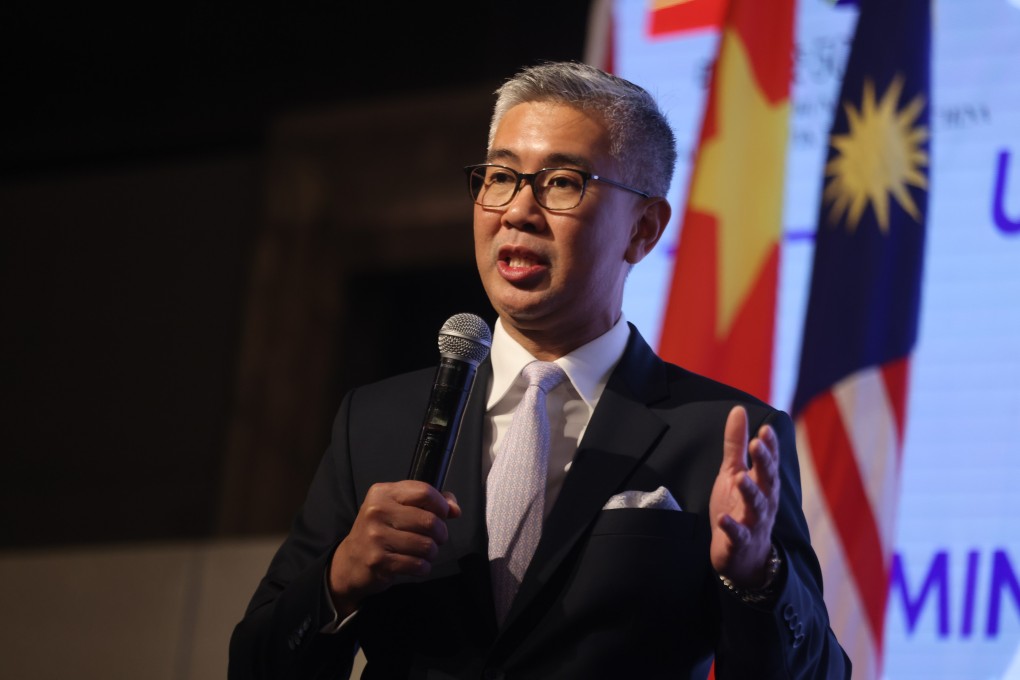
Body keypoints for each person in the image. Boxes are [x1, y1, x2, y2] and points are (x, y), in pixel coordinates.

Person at [228, 60, 852, 679]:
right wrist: (340, 581)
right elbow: (255, 664)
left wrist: (755, 576)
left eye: (561, 183)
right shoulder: (375, 422)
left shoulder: (719, 439)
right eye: (500, 177)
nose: (517, 211)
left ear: (643, 229)